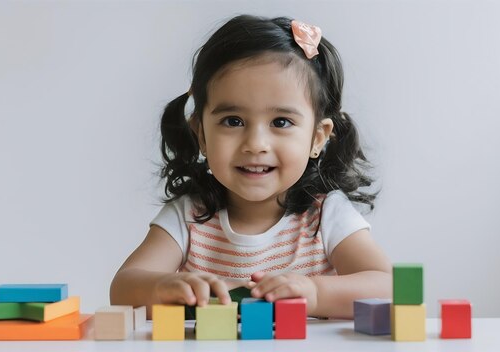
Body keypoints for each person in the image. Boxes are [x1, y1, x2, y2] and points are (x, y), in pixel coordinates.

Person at [110, 14, 391, 320]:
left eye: (281, 122)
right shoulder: (188, 215)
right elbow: (123, 288)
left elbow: (387, 286)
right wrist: (164, 287)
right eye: (233, 121)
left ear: (317, 138)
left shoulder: (325, 215)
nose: (255, 144)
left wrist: (315, 293)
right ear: (201, 134)